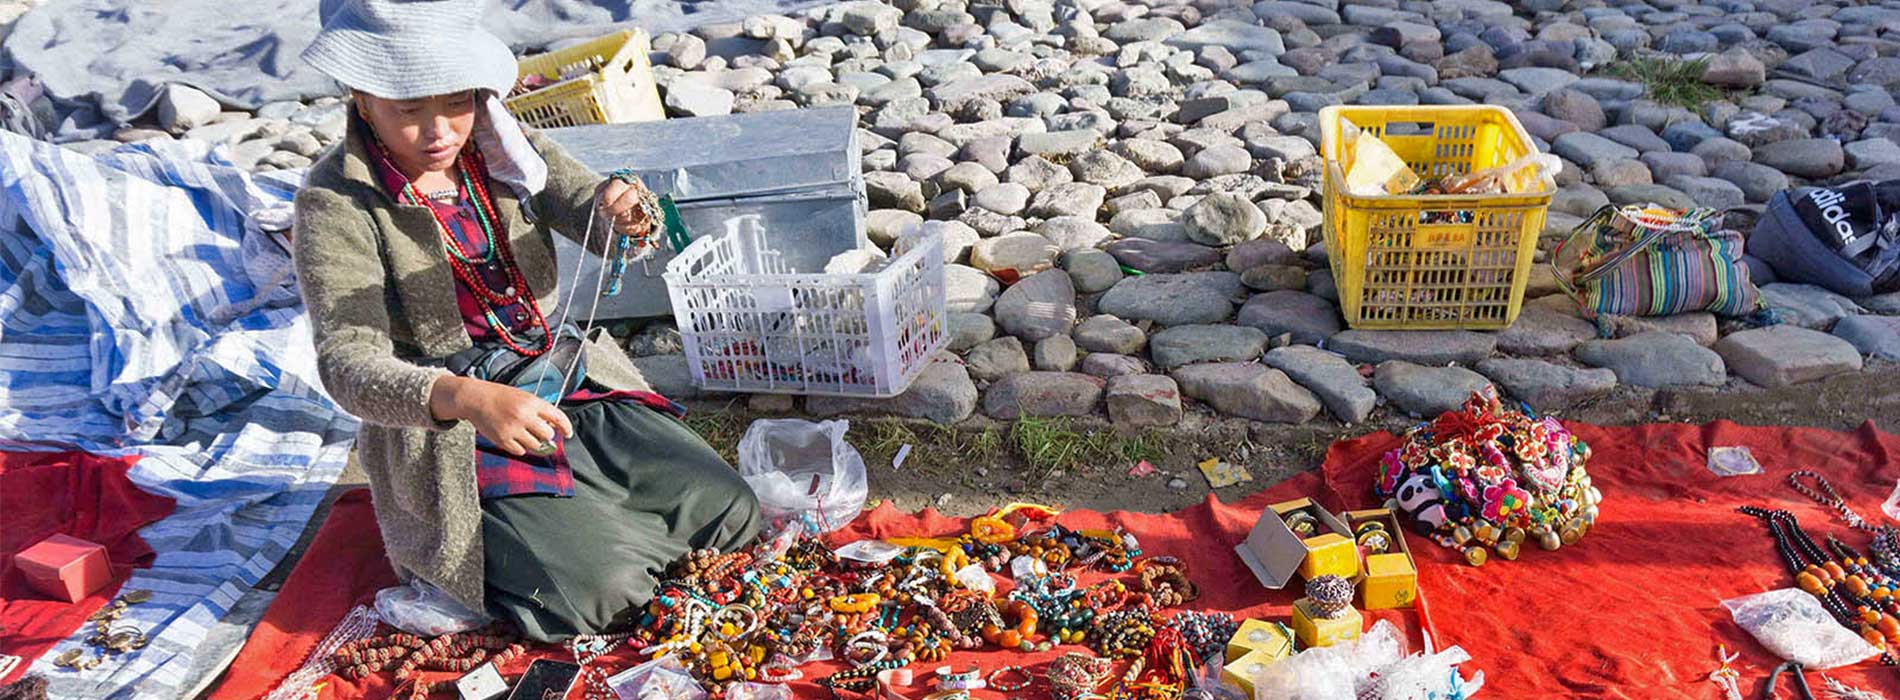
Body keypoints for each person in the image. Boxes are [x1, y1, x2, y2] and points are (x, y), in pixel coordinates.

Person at [291, 0, 759, 641]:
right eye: (408, 110)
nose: (439, 132)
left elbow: (586, 204)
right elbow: (347, 363)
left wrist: (623, 209)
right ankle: (569, 538)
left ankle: (596, 521)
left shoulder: (502, 145)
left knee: (730, 512)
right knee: (602, 591)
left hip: (564, 382)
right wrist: (464, 396)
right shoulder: (335, 203)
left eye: (456, 101)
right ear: (362, 98)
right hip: (456, 428)